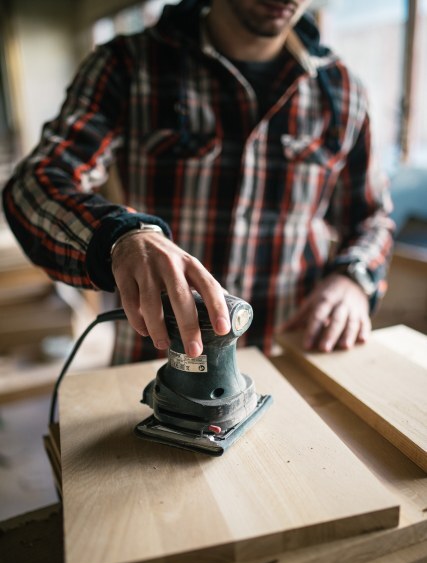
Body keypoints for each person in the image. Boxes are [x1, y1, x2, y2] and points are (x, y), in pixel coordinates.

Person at [2, 0, 395, 364]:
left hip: (291, 355)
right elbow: (33, 186)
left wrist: (354, 278)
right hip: (156, 360)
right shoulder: (127, 64)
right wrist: (121, 237)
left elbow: (371, 218)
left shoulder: (343, 91)